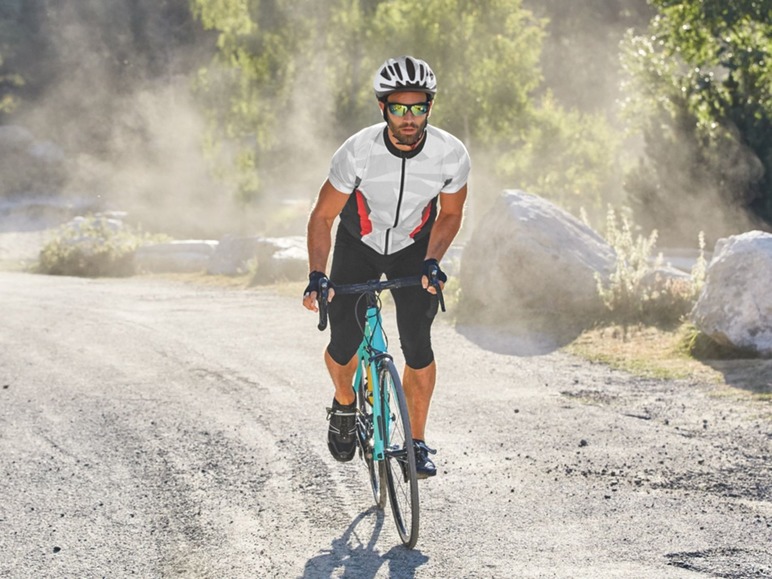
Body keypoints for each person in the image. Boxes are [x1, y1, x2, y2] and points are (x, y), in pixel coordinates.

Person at [302, 55, 470, 478]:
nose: (409, 117)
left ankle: (416, 443)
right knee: (344, 342)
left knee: (418, 344)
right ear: (383, 108)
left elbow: (450, 214)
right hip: (358, 245)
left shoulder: (451, 154)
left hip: (414, 248)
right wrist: (317, 275)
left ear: (430, 107)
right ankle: (344, 403)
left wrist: (433, 260)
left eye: (418, 107)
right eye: (399, 107)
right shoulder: (358, 151)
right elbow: (322, 217)